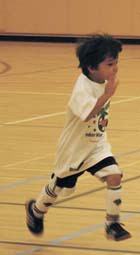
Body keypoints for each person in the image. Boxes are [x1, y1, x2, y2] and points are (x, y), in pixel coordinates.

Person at [25, 34, 131, 241]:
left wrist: (107, 91)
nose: (115, 68)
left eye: (116, 63)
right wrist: (107, 95)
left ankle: (112, 224)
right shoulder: (82, 88)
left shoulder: (103, 80)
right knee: (60, 189)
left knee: (115, 175)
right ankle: (36, 210)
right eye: (110, 64)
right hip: (73, 150)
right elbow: (88, 114)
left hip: (96, 145)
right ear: (92, 67)